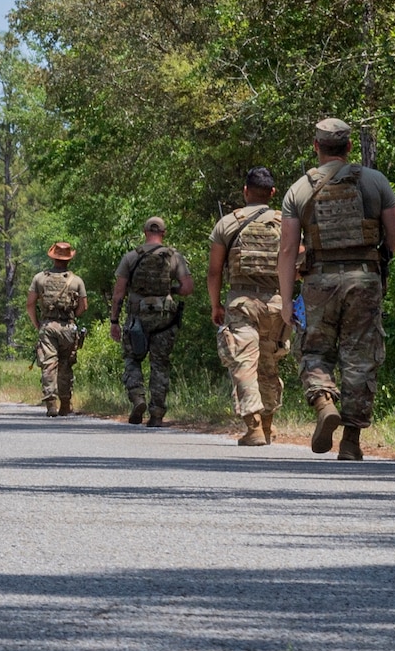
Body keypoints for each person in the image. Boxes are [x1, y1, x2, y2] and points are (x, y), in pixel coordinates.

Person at [278, 117, 395, 461]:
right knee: (360, 358)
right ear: (349, 147)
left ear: (317, 147)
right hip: (364, 279)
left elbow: (288, 251)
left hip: (319, 281)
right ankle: (351, 441)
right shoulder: (375, 181)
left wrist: (287, 300)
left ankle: (323, 403)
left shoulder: (299, 190)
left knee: (315, 351)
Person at [208, 168, 291, 446]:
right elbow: (299, 262)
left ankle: (253, 425)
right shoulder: (285, 223)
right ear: (272, 193)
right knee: (269, 363)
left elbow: (214, 271)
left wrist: (215, 305)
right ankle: (267, 424)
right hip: (277, 304)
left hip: (242, 302)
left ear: (245, 191)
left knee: (244, 362)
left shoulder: (228, 223)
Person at [109, 218, 193, 426]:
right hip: (164, 320)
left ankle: (138, 398)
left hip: (137, 317)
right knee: (160, 364)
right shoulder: (174, 257)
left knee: (132, 359)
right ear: (163, 232)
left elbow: (118, 293)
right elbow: (187, 288)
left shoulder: (131, 257)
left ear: (145, 231)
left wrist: (114, 321)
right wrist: (169, 291)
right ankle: (156, 414)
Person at [27, 243, 88, 416]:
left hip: (47, 326)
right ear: (69, 259)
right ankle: (66, 403)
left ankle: (51, 403)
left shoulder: (40, 278)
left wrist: (37, 323)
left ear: (53, 257)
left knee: (48, 364)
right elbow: (84, 306)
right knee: (66, 364)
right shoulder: (76, 281)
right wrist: (71, 317)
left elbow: (30, 304)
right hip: (68, 328)